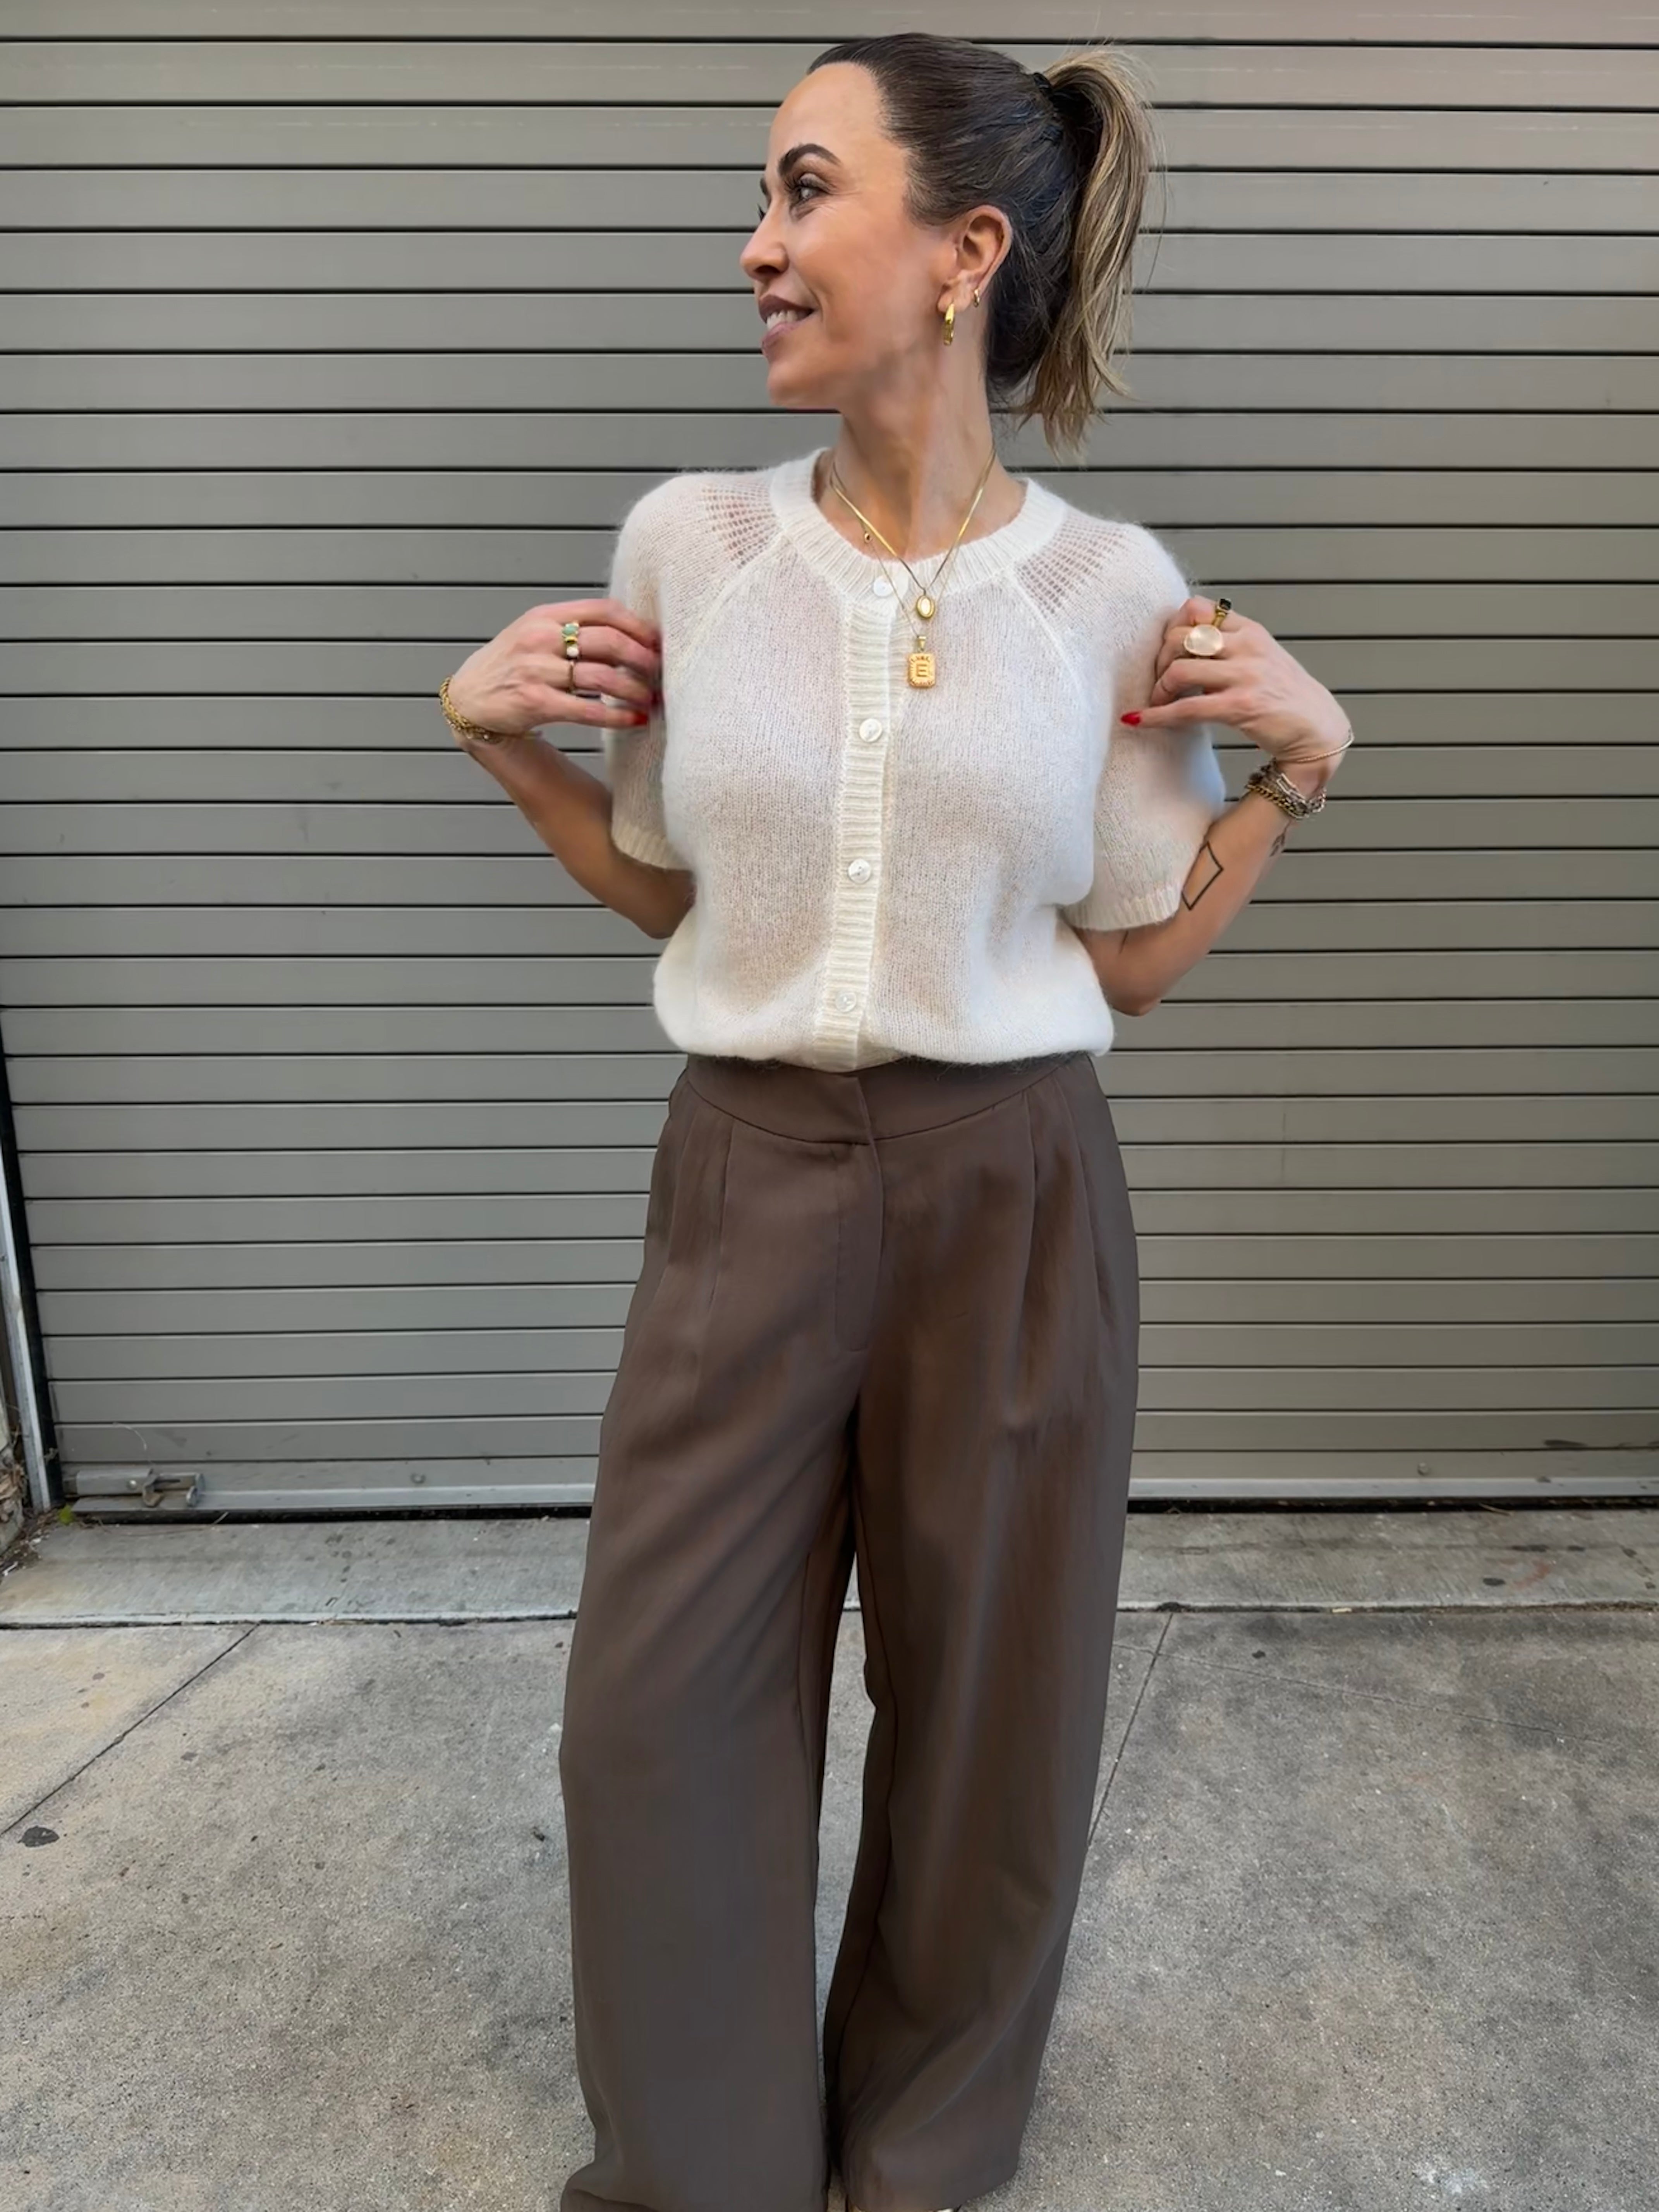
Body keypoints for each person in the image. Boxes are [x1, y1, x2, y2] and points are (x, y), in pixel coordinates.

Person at [437, 31, 1355, 2212]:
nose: (754, 248)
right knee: (654, 1724)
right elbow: (674, 888)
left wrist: (1303, 772)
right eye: (762, 202)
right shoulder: (693, 546)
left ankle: (924, 2155)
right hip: (746, 1174)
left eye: (799, 191)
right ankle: (710, 2172)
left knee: (993, 1724)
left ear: (964, 253)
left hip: (1013, 1181)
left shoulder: (1118, 595)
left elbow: (1125, 956)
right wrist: (502, 743)